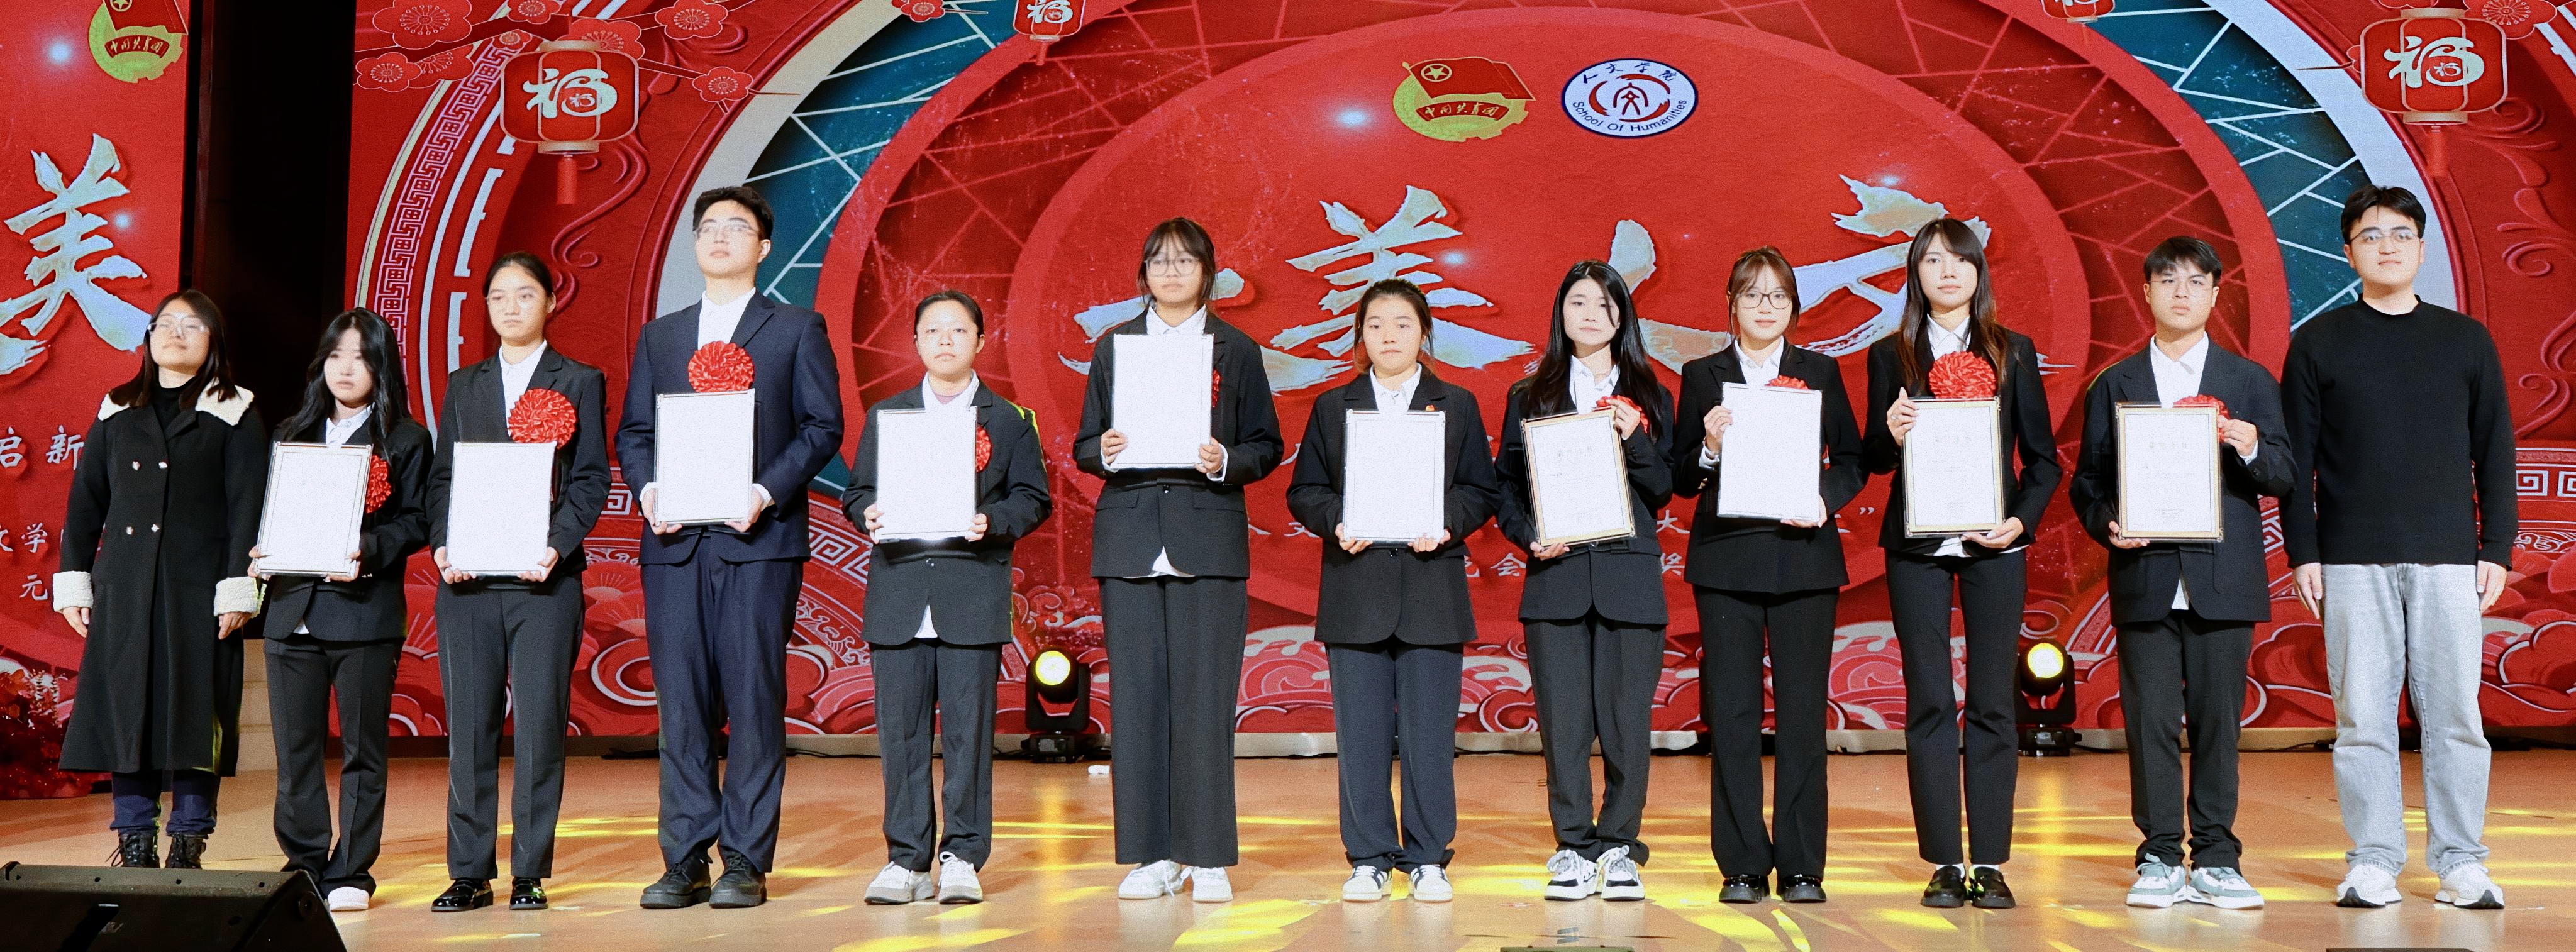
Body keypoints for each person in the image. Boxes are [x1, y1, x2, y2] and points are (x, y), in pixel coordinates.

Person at [2284, 185, 2512, 910]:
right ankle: (2373, 858)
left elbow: (2495, 451)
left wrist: (2496, 547)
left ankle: (2461, 861)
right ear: (2347, 251)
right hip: (2350, 556)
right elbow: (2296, 458)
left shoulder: (2465, 340)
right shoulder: (2317, 342)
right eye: (2370, 234)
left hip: (2449, 555)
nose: (2387, 245)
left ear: (2420, 247)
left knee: (2455, 716)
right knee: (2361, 717)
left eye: (2400, 234)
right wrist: (2303, 551)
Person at [618, 185, 845, 909]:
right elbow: (635, 432)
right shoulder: (661, 337)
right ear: (695, 244)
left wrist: (764, 490)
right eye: (708, 226)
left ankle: (745, 856)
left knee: (752, 698)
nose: (719, 236)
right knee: (682, 703)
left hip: (759, 539)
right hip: (675, 543)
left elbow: (822, 425)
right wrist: (650, 490)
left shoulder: (795, 328)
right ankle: (684, 856)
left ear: (764, 247)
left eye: (736, 227)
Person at [2069, 236, 2292, 910]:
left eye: (2196, 281)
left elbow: (2283, 473)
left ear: (2216, 294)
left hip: (2223, 577)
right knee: (2151, 722)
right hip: (2146, 572)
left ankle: (2218, 857)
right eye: (2168, 280)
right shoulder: (2116, 383)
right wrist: (2109, 521)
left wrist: (2249, 444)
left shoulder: (2248, 381)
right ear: (2146, 292)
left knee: (2220, 723)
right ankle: (2160, 854)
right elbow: (2088, 482)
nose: (2182, 292)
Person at [1073, 217, 1284, 903]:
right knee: (1136, 702)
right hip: (1131, 536)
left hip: (1207, 536)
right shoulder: (1115, 346)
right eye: (1159, 261)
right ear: (1143, 273)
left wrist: (1226, 460)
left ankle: (1206, 854)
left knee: (1204, 699)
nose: (1170, 272)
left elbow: (1267, 443)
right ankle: (1149, 854)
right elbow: (1083, 445)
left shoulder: (1235, 349)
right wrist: (1105, 451)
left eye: (1184, 261)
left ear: (1207, 273)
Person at [1864, 218, 2058, 909]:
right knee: (1927, 698)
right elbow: (1872, 459)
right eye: (1932, 261)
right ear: (1914, 274)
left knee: (1992, 701)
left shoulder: (2013, 351)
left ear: (1979, 271)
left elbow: (2042, 460)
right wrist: (1889, 434)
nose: (1947, 272)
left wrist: (2019, 521)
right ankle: (1945, 859)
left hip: (1993, 545)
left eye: (1960, 260)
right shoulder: (1890, 355)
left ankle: (1992, 861)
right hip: (1916, 546)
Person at [1284, 278, 1498, 905]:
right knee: (1361, 737)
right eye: (1375, 324)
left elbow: (1480, 489)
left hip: (1432, 586)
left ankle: (1428, 857)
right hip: (1357, 587)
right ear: (1360, 335)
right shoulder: (1334, 406)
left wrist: (1446, 521)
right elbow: (1305, 490)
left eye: (1402, 323)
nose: (1388, 335)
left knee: (1430, 737)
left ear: (1424, 333)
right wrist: (1339, 520)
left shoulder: (1456, 404)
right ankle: (1369, 857)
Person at [1668, 247, 1864, 905]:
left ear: (1793, 307)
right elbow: (1680, 479)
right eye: (1752, 294)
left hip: (1803, 556)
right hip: (1726, 559)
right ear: (1732, 303)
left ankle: (1803, 865)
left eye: (1778, 295)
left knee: (1803, 715)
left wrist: (1823, 499)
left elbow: (1852, 459)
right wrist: (1708, 447)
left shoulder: (1819, 371)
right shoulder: (1702, 374)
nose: (1765, 306)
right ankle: (1743, 865)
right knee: (1732, 714)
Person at [847, 291, 1052, 906]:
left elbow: (1033, 498)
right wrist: (868, 512)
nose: (944, 339)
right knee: (902, 736)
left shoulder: (1009, 420)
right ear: (914, 341)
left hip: (970, 588)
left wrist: (993, 519)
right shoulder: (888, 415)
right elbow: (857, 492)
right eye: (932, 329)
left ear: (981, 341)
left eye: (958, 330)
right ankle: (905, 860)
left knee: (968, 735)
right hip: (901, 590)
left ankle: (962, 855)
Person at [52, 290, 265, 870]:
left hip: (198, 589)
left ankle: (189, 841)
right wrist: (75, 578)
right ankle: (134, 840)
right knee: (128, 710)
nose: (176, 333)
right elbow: (86, 502)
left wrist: (238, 586)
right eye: (165, 324)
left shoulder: (234, 413)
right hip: (125, 585)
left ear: (212, 341)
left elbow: (248, 508)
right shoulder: (118, 408)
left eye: (192, 325)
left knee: (196, 712)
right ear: (148, 337)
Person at [426, 252, 613, 912]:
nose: (511, 306)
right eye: (499, 296)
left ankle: (530, 868)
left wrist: (554, 546)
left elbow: (590, 478)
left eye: (525, 294)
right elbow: (443, 478)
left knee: (538, 727)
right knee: (469, 727)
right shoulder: (464, 384)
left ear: (550, 302)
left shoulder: (579, 380)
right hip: (469, 582)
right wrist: (444, 545)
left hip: (544, 582)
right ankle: (469, 871)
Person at [1494, 260, 1673, 903]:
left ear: (1622, 316)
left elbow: (1664, 489)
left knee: (1626, 724)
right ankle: (1571, 846)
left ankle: (1620, 846)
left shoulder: (1651, 394)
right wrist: (1529, 537)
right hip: (1558, 575)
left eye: (1604, 303)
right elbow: (1505, 488)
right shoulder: (1529, 395)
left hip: (1628, 577)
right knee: (1563, 724)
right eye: (1578, 302)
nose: (1590, 314)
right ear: (1560, 314)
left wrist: (1635, 438)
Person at [248, 308, 433, 912]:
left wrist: (367, 550)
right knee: (296, 751)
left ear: (382, 367)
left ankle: (352, 869)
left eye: (360, 357)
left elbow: (417, 521)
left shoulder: (405, 439)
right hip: (290, 611)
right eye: (335, 356)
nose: (346, 368)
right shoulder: (290, 434)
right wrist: (261, 548)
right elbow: (267, 510)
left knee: (362, 751)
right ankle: (304, 860)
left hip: (362, 613)